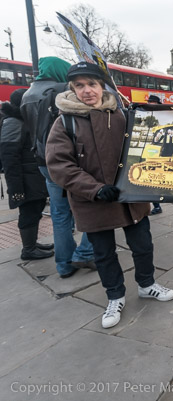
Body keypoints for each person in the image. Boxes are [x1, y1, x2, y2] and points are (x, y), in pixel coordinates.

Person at [45, 62, 173, 328]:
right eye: (79, 85)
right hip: (92, 201)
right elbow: (59, 165)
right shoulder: (65, 121)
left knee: (143, 245)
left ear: (102, 86)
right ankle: (115, 296)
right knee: (104, 254)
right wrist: (94, 189)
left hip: (130, 197)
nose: (87, 91)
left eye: (91, 84)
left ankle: (147, 284)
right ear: (72, 88)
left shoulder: (121, 115)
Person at [20, 56, 95, 278]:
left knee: (59, 213)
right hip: (68, 160)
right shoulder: (62, 90)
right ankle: (85, 252)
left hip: (44, 161)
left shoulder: (27, 94)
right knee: (91, 207)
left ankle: (64, 264)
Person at [0, 89, 54, 261]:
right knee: (28, 212)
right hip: (24, 179)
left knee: (36, 210)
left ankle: (32, 244)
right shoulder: (13, 122)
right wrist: (16, 188)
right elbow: (9, 157)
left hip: (32, 176)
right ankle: (28, 249)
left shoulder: (23, 120)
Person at [146, 95, 163, 215]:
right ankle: (156, 205)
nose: (150, 104)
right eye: (149, 102)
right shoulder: (150, 115)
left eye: (152, 103)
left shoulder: (161, 116)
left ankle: (157, 206)